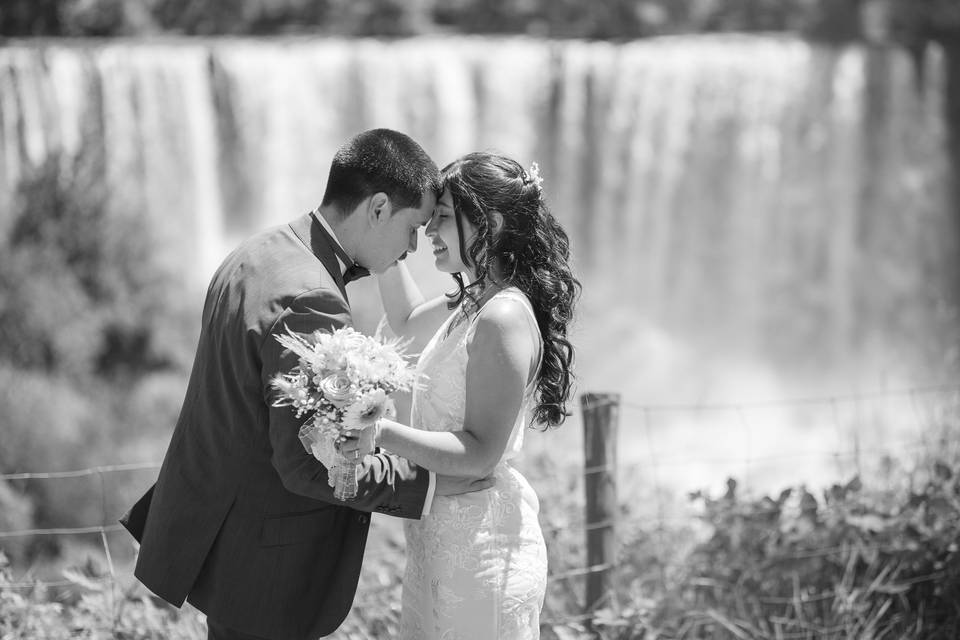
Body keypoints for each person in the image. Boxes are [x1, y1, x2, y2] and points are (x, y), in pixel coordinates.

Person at [119, 129, 491, 640]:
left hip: (228, 539)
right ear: (378, 208)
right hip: (269, 563)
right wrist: (427, 483)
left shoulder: (257, 253)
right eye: (413, 228)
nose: (412, 247)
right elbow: (308, 464)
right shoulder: (311, 296)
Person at [347, 151, 581, 639]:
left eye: (444, 219)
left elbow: (480, 452)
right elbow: (409, 325)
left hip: (482, 553)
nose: (429, 231)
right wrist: (380, 241)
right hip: (441, 538)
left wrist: (381, 430)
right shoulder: (477, 300)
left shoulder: (503, 316)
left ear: (490, 222)